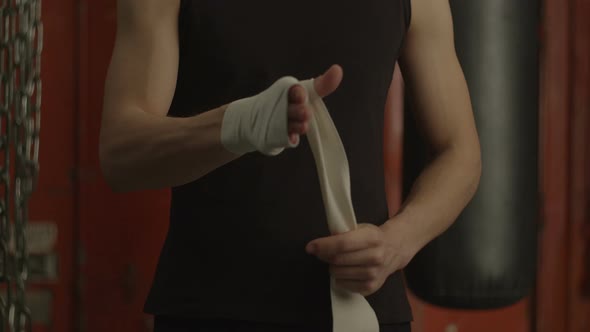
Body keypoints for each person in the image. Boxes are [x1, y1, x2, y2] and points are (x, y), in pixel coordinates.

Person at [99, 0, 481, 331]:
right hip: (210, 309)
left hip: (359, 309)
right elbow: (120, 154)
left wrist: (398, 242)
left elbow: (459, 152)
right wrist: (238, 125)